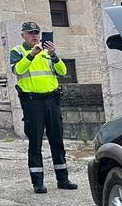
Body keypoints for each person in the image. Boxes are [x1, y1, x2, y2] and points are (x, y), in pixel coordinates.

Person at [11, 21, 76, 193]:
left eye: (37, 33)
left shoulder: (48, 52)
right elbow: (18, 70)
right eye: (30, 33)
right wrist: (32, 54)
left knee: (57, 140)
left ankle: (63, 179)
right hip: (33, 102)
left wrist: (54, 55)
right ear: (23, 35)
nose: (34, 36)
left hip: (52, 100)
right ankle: (38, 183)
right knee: (35, 143)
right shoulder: (18, 51)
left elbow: (62, 71)